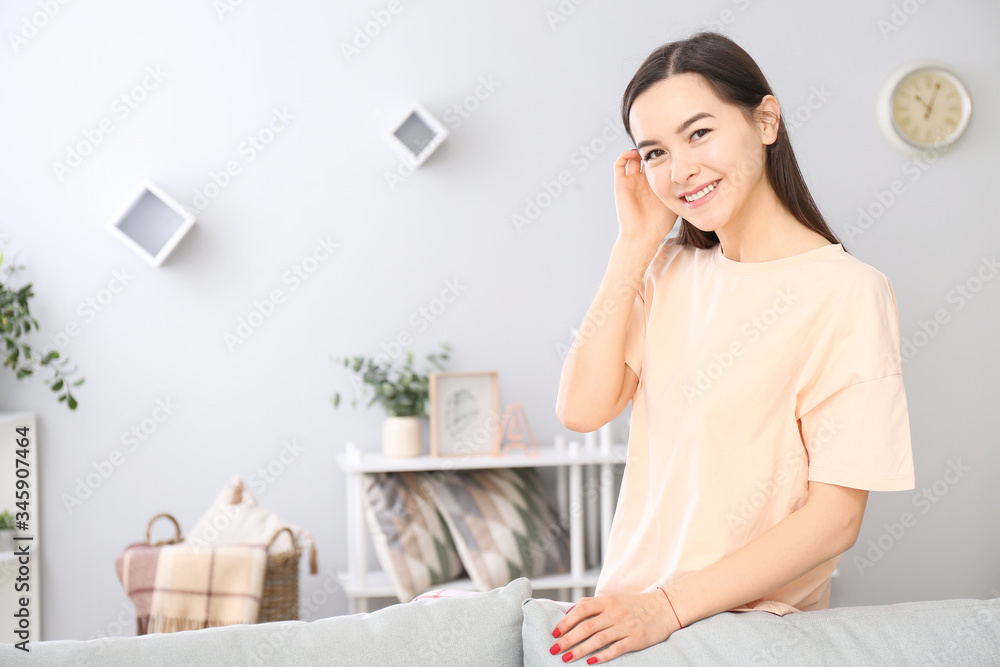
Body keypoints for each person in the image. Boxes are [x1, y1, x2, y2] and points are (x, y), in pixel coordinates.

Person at [551, 31, 915, 664]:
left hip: (747, 637)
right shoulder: (667, 272)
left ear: (766, 120)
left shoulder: (848, 293)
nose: (680, 170)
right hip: (628, 631)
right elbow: (581, 410)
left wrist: (665, 607)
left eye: (699, 133)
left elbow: (835, 518)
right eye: (656, 151)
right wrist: (633, 245)